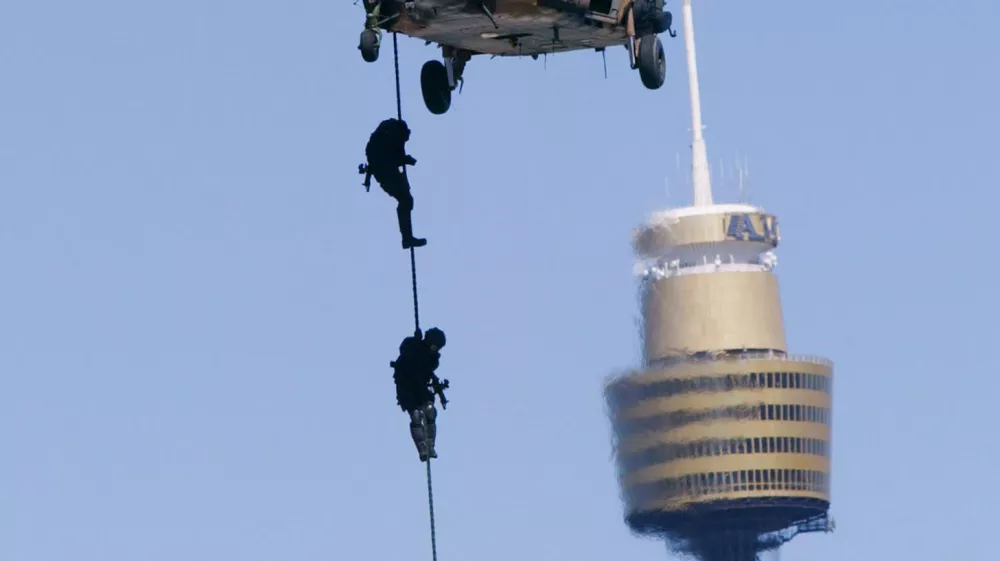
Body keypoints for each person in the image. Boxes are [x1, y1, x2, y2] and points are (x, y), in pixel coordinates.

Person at [364, 118, 427, 250]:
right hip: (385, 173)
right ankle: (407, 239)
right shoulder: (389, 136)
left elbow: (388, 157)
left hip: (385, 171)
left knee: (406, 199)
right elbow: (387, 159)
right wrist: (405, 160)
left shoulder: (388, 132)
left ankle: (407, 238)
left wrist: (403, 159)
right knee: (406, 200)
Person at [390, 327, 448, 462]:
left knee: (430, 410)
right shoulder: (411, 344)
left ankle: (430, 444)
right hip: (406, 386)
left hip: (420, 387)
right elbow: (405, 353)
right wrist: (416, 343)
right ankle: (422, 447)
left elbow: (428, 368)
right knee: (416, 415)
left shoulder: (432, 359)